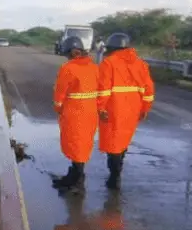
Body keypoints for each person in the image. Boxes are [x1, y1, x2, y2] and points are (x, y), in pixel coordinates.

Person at [97, 33, 155, 189]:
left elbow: (103, 89)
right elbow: (148, 90)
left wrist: (100, 107)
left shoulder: (108, 63)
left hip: (113, 109)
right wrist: (145, 108)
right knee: (123, 140)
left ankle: (114, 177)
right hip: (133, 110)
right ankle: (117, 171)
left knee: (113, 144)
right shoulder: (141, 64)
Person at [52, 36, 99, 190]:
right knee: (84, 143)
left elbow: (60, 93)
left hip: (75, 112)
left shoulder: (68, 68)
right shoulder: (94, 67)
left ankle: (76, 180)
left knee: (74, 143)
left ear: (71, 53)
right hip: (91, 112)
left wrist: (59, 108)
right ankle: (76, 174)